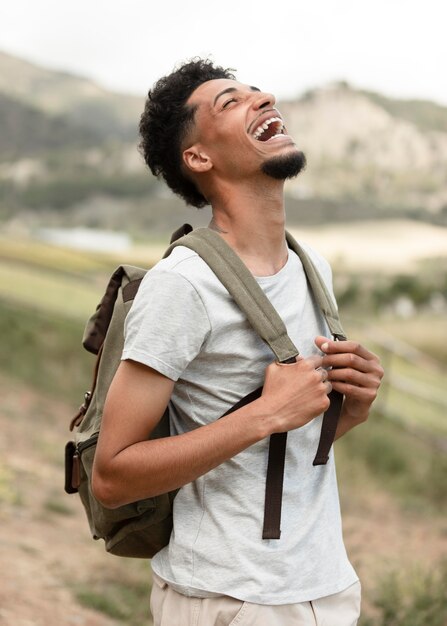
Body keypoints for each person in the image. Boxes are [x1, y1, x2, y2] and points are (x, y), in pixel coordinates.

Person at [91, 59, 384, 626]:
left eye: (256, 90)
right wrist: (265, 415)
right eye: (231, 101)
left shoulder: (311, 266)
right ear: (199, 157)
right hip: (227, 597)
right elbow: (112, 475)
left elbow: (288, 454)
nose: (264, 96)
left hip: (324, 589)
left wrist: (353, 407)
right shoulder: (184, 284)